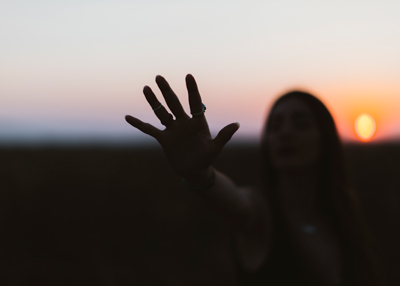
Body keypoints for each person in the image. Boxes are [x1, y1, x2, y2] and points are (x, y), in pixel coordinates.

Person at [125, 74, 380, 286]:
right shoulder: (258, 213)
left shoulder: (343, 214)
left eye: (301, 123)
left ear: (325, 139)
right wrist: (197, 174)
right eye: (276, 125)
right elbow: (233, 199)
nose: (286, 133)